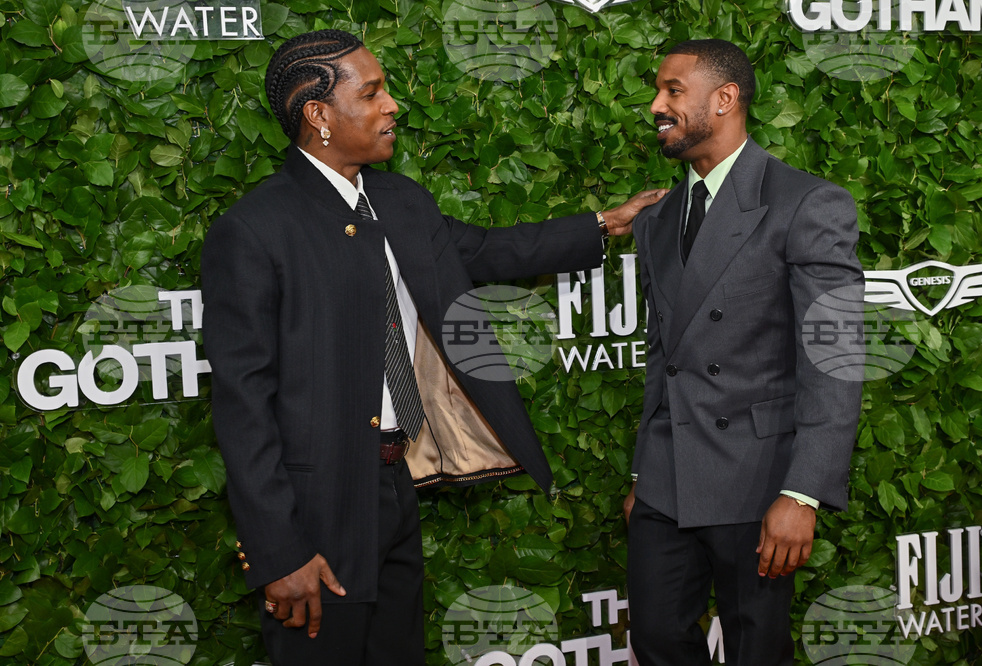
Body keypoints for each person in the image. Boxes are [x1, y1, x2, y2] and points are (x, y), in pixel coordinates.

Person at [200, 29, 665, 665]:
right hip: (314, 512)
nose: (394, 105)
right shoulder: (253, 231)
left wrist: (603, 225)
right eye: (372, 92)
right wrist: (278, 550)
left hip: (394, 486)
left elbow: (485, 251)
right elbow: (242, 405)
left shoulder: (399, 201)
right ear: (319, 116)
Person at [624, 39, 863, 664]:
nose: (657, 105)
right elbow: (663, 357)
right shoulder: (658, 218)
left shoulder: (807, 203)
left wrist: (803, 493)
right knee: (654, 639)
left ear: (725, 99)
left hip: (757, 482)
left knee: (757, 651)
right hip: (666, 480)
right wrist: (642, 471)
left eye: (673, 91)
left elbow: (833, 361)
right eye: (659, 91)